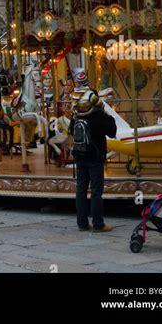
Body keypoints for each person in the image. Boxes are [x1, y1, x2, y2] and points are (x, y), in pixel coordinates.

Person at [69, 89, 117, 232]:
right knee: (96, 191)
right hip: (95, 157)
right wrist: (108, 115)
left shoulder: (76, 116)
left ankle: (82, 223)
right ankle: (98, 223)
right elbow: (112, 132)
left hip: (80, 155)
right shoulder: (98, 115)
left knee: (81, 190)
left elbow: (71, 130)